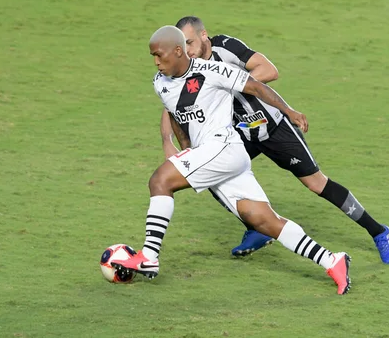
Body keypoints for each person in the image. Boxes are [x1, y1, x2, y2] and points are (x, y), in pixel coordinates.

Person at [112, 25, 351, 294]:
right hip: (210, 154)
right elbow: (176, 114)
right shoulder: (160, 83)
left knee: (159, 181)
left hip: (224, 147)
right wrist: (183, 147)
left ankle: (149, 257)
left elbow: (257, 87)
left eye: (159, 55)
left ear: (178, 51)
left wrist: (289, 111)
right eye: (152, 57)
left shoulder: (213, 71)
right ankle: (333, 261)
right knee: (262, 220)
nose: (156, 62)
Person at [158, 16, 389, 264]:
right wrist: (168, 142)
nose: (187, 50)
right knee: (212, 173)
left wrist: (228, 85)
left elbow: (269, 70)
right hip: (238, 134)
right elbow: (171, 104)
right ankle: (256, 228)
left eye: (190, 42)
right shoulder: (187, 66)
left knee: (316, 183)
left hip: (271, 125)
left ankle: (378, 231)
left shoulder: (225, 48)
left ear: (204, 35)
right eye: (182, 45)